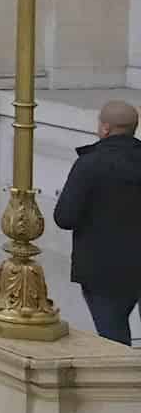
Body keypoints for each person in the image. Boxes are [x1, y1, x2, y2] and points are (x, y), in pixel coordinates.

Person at [53, 99, 141, 345]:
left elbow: (64, 218)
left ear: (105, 128)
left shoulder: (90, 164)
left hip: (103, 270)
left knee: (114, 341)